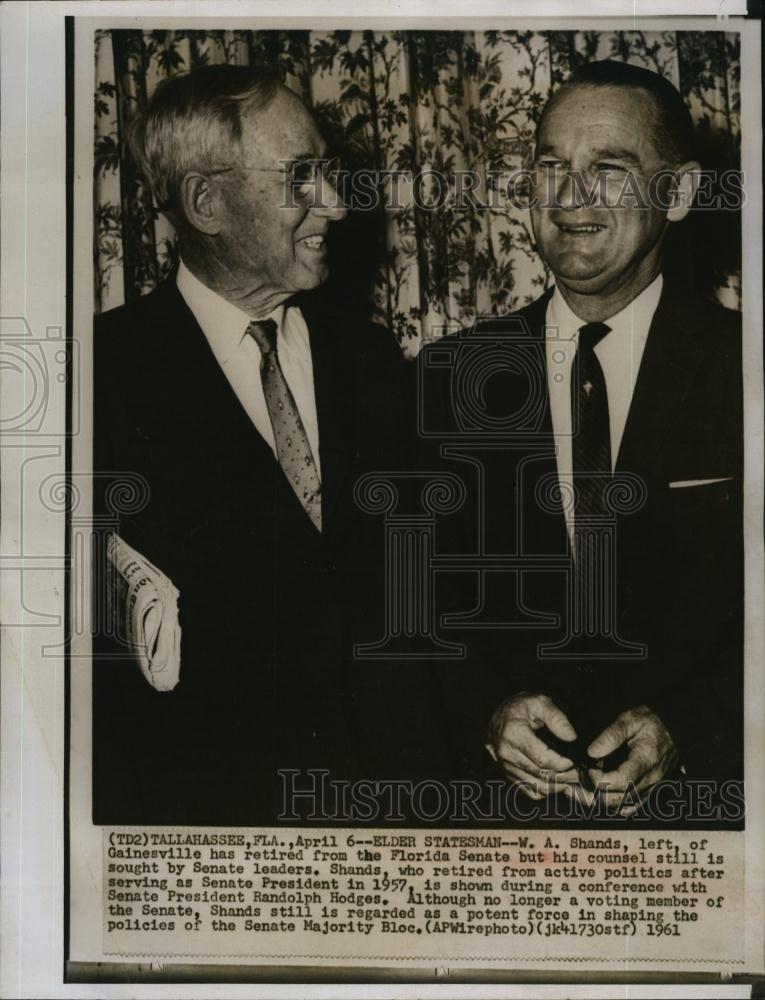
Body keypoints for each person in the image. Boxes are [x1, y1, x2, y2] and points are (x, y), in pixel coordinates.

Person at [92, 65, 443, 826]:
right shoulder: (95, 380)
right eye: (302, 178)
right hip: (209, 838)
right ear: (206, 202)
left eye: (332, 173)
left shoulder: (372, 363)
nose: (339, 205)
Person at [423, 60, 743, 820]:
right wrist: (486, 715)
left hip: (709, 828)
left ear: (679, 191)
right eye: (549, 167)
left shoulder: (749, 367)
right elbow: (410, 602)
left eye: (608, 168)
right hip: (505, 836)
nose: (569, 197)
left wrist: (688, 727)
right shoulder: (448, 378)